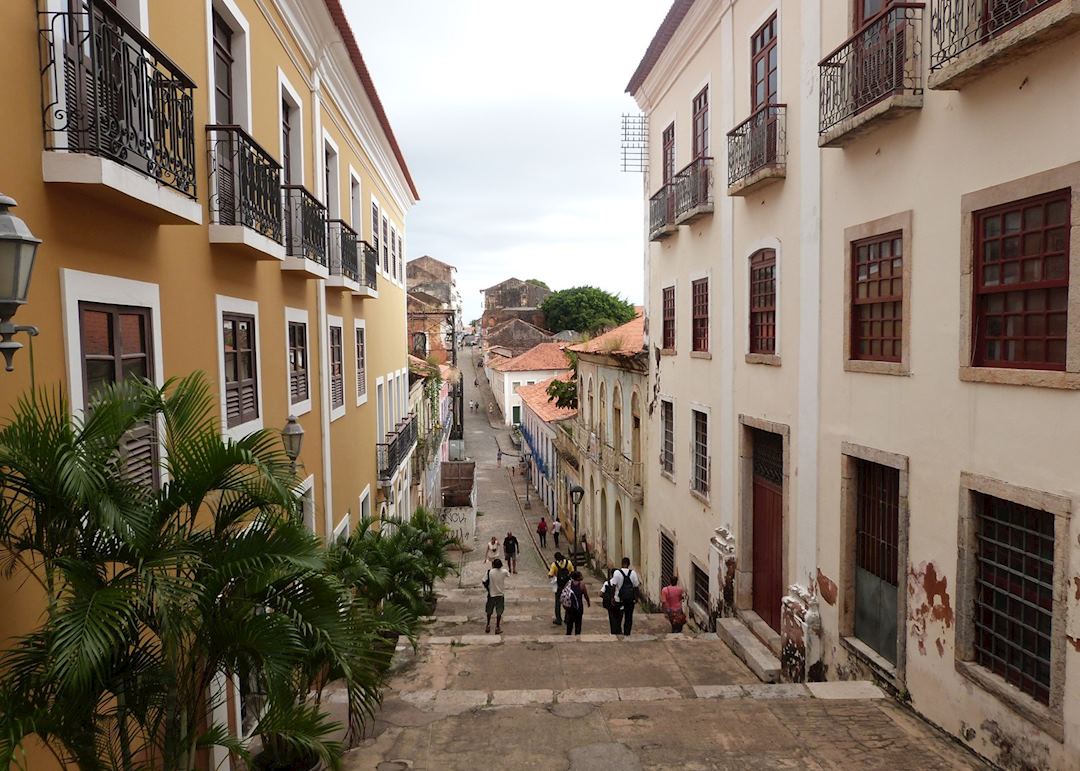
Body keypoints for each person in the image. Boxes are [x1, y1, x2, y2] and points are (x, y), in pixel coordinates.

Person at [608, 557, 642, 635]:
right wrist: (636, 598)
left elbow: (613, 586)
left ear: (621, 563)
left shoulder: (617, 572)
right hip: (630, 598)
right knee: (628, 616)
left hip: (619, 599)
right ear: (629, 564)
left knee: (618, 616)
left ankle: (617, 630)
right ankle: (627, 632)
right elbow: (636, 587)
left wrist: (612, 597)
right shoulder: (633, 573)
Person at [483, 558, 510, 634]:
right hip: (500, 594)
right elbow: (508, 574)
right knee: (499, 611)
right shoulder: (504, 571)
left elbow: (484, 581)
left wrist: (488, 588)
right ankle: (497, 627)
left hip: (491, 594)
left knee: (489, 610)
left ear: (493, 565)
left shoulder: (489, 572)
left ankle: (488, 625)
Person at [561, 571, 590, 636]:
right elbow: (586, 595)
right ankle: (577, 636)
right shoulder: (582, 585)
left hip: (570, 607)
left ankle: (568, 636)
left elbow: (564, 593)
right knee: (578, 623)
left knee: (569, 623)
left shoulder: (568, 584)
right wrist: (588, 602)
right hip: (578, 607)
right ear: (578, 577)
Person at [548, 551, 573, 625]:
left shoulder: (554, 565)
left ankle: (558, 619)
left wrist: (555, 576)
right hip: (567, 586)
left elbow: (550, 574)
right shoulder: (568, 563)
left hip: (559, 586)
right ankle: (567, 618)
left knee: (558, 603)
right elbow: (572, 571)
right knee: (567, 602)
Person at [600, 568, 620, 635]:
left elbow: (600, 593)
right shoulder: (620, 582)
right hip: (618, 601)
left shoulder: (607, 583)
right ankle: (618, 629)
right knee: (619, 616)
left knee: (612, 617)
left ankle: (613, 631)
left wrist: (606, 597)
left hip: (610, 603)